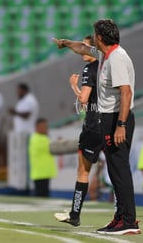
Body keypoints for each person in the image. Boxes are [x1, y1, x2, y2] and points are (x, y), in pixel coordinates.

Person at [53, 19, 140, 235]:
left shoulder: (117, 58)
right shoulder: (105, 54)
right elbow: (81, 48)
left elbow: (126, 92)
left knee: (120, 171)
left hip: (117, 119)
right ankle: (120, 218)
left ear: (100, 38)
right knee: (114, 170)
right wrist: (64, 43)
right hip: (109, 118)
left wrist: (120, 125)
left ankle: (129, 221)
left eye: (94, 34)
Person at [54, 35, 102, 226]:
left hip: (92, 127)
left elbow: (83, 101)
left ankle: (75, 214)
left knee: (83, 171)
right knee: (116, 172)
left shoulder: (89, 68)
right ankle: (123, 214)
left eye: (85, 46)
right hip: (110, 123)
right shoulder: (107, 67)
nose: (82, 50)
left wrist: (74, 87)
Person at [28, 118, 57, 197]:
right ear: (37, 127)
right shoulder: (38, 139)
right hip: (40, 173)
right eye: (43, 126)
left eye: (46, 126)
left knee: (43, 195)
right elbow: (54, 148)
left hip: (43, 173)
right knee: (41, 196)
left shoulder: (40, 138)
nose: (46, 128)